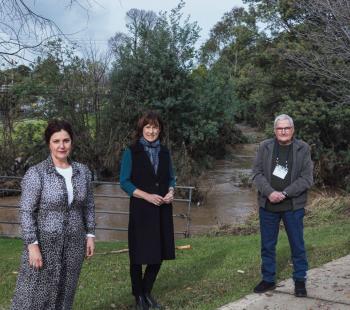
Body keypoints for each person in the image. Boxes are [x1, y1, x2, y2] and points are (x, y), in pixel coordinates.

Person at [12, 119, 96, 310]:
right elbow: (26, 212)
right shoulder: (37, 173)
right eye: (56, 141)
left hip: (74, 244)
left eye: (66, 140)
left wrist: (90, 234)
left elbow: (89, 205)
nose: (61, 146)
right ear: (49, 143)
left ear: (72, 142)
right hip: (44, 245)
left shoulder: (83, 172)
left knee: (65, 293)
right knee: (33, 295)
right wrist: (32, 245)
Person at [252, 114, 313, 297]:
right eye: (280, 128)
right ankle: (268, 279)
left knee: (297, 244)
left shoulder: (303, 148)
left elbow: (307, 178)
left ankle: (300, 280)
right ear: (275, 131)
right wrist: (270, 192)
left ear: (293, 130)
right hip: (268, 205)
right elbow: (256, 173)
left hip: (293, 206)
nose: (283, 131)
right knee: (267, 245)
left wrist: (285, 193)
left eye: (287, 128)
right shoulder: (265, 146)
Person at [120, 111, 176, 310]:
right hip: (141, 209)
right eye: (148, 127)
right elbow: (124, 182)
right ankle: (138, 297)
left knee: (159, 253)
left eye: (155, 127)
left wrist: (171, 191)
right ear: (141, 129)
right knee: (137, 255)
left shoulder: (165, 152)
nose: (151, 131)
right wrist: (147, 196)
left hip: (162, 209)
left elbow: (171, 177)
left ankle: (147, 292)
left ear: (160, 130)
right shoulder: (131, 151)